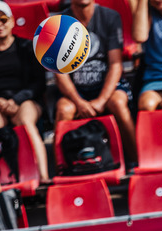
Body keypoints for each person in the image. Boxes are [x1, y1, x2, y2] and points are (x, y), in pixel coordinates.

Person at [0, 1, 49, 184]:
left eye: (3, 20)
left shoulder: (28, 48)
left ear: (12, 21)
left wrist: (16, 100)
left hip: (25, 99)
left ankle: (43, 176)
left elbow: (38, 83)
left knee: (25, 122)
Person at [55, 0, 137, 166]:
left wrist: (101, 101)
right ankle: (62, 167)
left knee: (118, 103)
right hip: (77, 90)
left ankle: (136, 161)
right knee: (64, 109)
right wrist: (79, 102)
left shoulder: (110, 17)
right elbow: (59, 72)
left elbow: (116, 64)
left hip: (106, 87)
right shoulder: (60, 24)